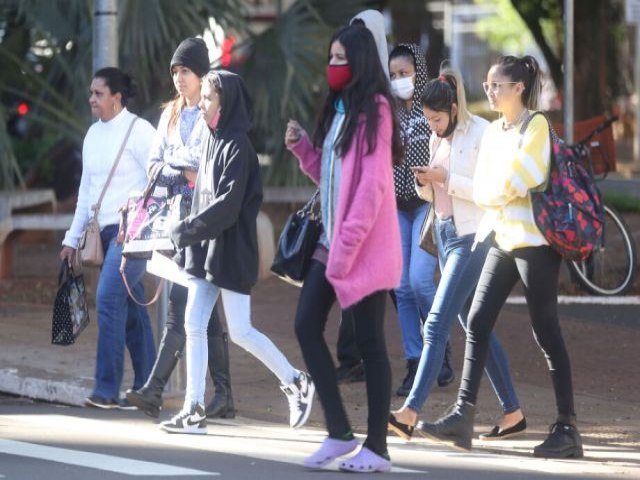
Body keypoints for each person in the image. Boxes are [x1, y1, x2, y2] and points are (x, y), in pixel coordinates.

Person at [417, 55, 584, 459]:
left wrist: (494, 187)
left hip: (536, 243)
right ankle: (462, 416)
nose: (489, 91)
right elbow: (488, 184)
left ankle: (567, 428)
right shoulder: (494, 131)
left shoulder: (536, 125)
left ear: (518, 89)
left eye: (497, 85)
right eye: (488, 84)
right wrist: (495, 187)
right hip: (501, 237)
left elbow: (520, 177)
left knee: (545, 330)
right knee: (476, 319)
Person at [161, 69, 314, 435]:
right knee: (193, 323)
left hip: (231, 251)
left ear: (225, 103)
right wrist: (189, 236)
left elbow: (228, 207)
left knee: (241, 330)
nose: (202, 104)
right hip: (205, 250)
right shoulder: (213, 139)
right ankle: (193, 409)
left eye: (209, 98)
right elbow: (203, 197)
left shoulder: (238, 147)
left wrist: (185, 230)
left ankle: (296, 381)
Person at [285, 24, 403, 473]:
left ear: (359, 62)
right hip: (335, 244)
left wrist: (346, 250)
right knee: (305, 325)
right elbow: (333, 181)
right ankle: (338, 431)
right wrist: (303, 150)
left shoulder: (376, 109)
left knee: (371, 344)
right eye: (330, 58)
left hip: (364, 250)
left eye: (340, 59)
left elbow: (371, 190)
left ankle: (378, 448)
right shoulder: (342, 109)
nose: (333, 66)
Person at [387, 67, 525, 442]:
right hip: (446, 235)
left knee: (435, 325)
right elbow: (437, 197)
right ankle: (513, 411)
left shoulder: (480, 132)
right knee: (476, 327)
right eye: (429, 120)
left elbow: (486, 190)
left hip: (472, 239)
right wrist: (425, 184)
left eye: (437, 119)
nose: (433, 127)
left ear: (452, 107)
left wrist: (444, 179)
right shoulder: (438, 140)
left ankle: (410, 412)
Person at [125, 37, 234, 420]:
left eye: (185, 70)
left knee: (183, 304)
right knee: (199, 307)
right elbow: (156, 163)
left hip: (203, 216)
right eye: (174, 71)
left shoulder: (211, 110)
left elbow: (205, 165)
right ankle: (223, 394)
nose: (179, 78)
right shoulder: (169, 113)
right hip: (172, 219)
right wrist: (179, 167)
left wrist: (178, 166)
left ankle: (155, 390)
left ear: (201, 73)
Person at [60, 67, 157, 409]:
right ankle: (150, 387)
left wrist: (146, 222)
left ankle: (106, 390)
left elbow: (159, 178)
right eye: (91, 93)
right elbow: (86, 192)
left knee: (108, 299)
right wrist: (71, 239)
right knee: (130, 310)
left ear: (117, 97)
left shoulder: (139, 131)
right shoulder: (92, 135)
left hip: (131, 232)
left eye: (98, 94)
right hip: (102, 233)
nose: (92, 99)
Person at [388, 43, 453, 397]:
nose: (400, 81)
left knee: (420, 281)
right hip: (396, 208)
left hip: (425, 204)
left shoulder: (433, 107)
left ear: (419, 72)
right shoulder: (390, 113)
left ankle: (440, 346)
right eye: (394, 75)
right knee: (399, 286)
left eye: (405, 73)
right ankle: (415, 362)